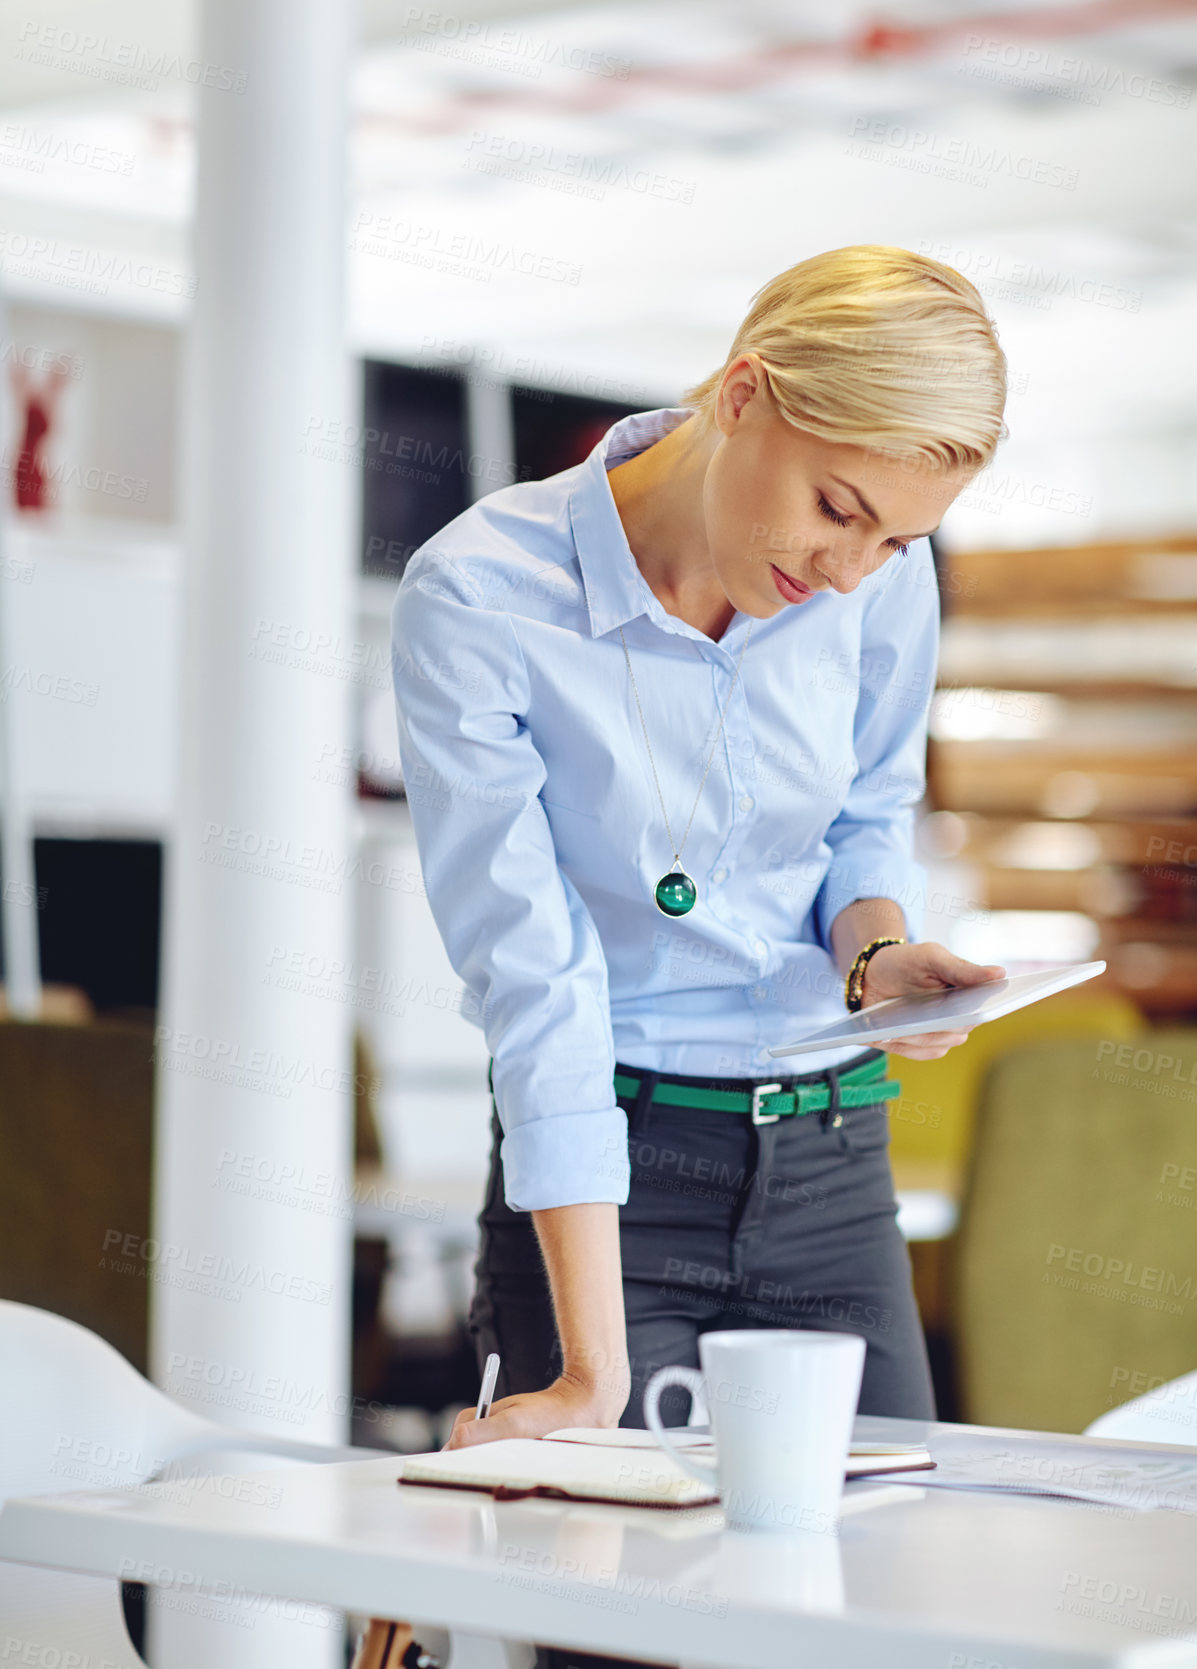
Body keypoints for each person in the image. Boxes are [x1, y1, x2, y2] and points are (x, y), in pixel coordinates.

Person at [390, 245, 1007, 1452]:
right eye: (837, 508)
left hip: (832, 1160)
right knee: (621, 1618)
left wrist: (871, 962)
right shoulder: (480, 598)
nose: (848, 573)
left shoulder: (880, 582)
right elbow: (539, 978)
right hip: (611, 1175)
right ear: (740, 395)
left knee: (869, 1611)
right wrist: (589, 1372)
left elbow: (868, 812)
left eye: (892, 540)